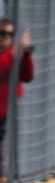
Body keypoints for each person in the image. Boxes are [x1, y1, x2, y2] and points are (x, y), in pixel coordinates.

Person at [0, 19, 34, 147]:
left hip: (7, 115)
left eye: (9, 34)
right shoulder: (13, 54)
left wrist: (26, 54)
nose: (5, 37)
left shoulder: (14, 53)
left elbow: (27, 77)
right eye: (1, 33)